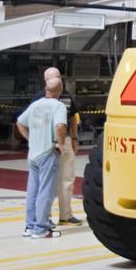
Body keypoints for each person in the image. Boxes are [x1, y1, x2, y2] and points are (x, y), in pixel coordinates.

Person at [17, 77, 68, 239]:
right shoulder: (59, 106)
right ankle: (41, 229)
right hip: (48, 152)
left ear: (46, 89)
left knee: (33, 191)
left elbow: (19, 123)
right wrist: (61, 144)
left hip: (33, 154)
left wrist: (30, 138)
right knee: (46, 191)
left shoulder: (35, 105)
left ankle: (30, 226)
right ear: (60, 90)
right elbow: (60, 126)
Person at [39, 67, 82, 225]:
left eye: (59, 79)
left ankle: (66, 214)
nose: (59, 83)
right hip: (48, 143)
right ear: (46, 81)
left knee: (67, 178)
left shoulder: (67, 96)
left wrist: (75, 139)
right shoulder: (39, 98)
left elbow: (72, 118)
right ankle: (46, 216)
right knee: (48, 181)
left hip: (67, 141)